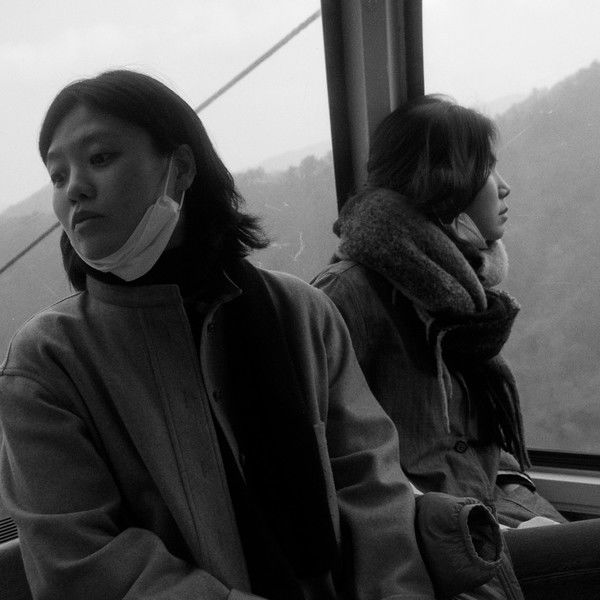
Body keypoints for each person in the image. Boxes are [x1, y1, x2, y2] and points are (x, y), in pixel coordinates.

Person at [0, 70, 437, 600]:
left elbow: (371, 486)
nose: (74, 188)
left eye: (100, 158)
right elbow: (82, 563)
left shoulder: (299, 312)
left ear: (180, 168)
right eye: (57, 175)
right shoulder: (45, 363)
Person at [312, 95, 600, 599]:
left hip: (493, 511)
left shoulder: (455, 293)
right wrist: (493, 527)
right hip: (430, 542)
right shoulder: (346, 296)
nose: (505, 186)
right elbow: (336, 463)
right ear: (445, 185)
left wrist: (522, 500)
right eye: (487, 171)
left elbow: (475, 446)